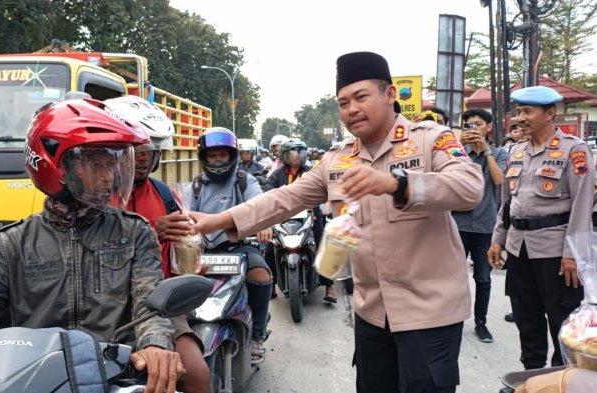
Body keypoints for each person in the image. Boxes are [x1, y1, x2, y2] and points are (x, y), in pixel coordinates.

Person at [188, 51, 484, 393]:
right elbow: (284, 198)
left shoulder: (430, 139)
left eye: (361, 97)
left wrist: (398, 183)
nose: (351, 109)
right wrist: (218, 220)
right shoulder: (338, 158)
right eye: (343, 102)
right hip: (372, 312)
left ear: (389, 95)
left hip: (429, 313)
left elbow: (469, 187)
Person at [0, 98, 185, 393]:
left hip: (112, 377)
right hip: (35, 381)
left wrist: (155, 344)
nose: (109, 177)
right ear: (56, 168)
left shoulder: (135, 232)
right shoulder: (12, 243)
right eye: (96, 164)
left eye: (111, 164)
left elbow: (149, 303)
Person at [105, 96, 211, 393]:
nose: (141, 156)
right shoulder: (96, 197)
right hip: (102, 303)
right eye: (135, 147)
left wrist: (189, 271)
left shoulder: (165, 195)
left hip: (158, 306)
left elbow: (174, 259)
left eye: (149, 148)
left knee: (197, 374)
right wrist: (153, 232)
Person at [488, 86, 594, 370]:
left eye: (527, 111)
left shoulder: (575, 150)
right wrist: (498, 239)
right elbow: (507, 203)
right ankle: (532, 374)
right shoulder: (517, 151)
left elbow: (582, 206)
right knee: (526, 317)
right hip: (518, 247)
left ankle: (563, 377)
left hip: (555, 251)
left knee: (561, 318)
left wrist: (573, 253)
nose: (520, 118)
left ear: (550, 113)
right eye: (518, 111)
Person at [191, 127, 274, 365]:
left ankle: (257, 334)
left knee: (261, 276)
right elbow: (184, 212)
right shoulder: (196, 186)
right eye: (212, 155)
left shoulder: (243, 180)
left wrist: (264, 225)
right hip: (203, 251)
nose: (218, 160)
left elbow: (260, 205)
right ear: (204, 157)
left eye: (222, 155)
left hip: (240, 247)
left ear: (232, 156)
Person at [453, 108, 509, 343]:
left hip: (485, 225)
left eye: (478, 124)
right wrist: (458, 146)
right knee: (453, 277)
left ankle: (481, 323)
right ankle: (452, 322)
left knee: (483, 278)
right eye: (469, 125)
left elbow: (499, 181)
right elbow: (450, 177)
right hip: (457, 223)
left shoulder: (499, 153)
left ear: (488, 126)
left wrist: (485, 152)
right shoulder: (457, 152)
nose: (473, 128)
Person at [263, 139, 335, 303]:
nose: (296, 157)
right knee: (269, 248)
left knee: (323, 243)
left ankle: (329, 285)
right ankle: (272, 284)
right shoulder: (277, 173)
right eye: (292, 154)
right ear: (285, 156)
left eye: (299, 153)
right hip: (282, 215)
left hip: (311, 214)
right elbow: (267, 190)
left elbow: (326, 186)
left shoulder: (312, 171)